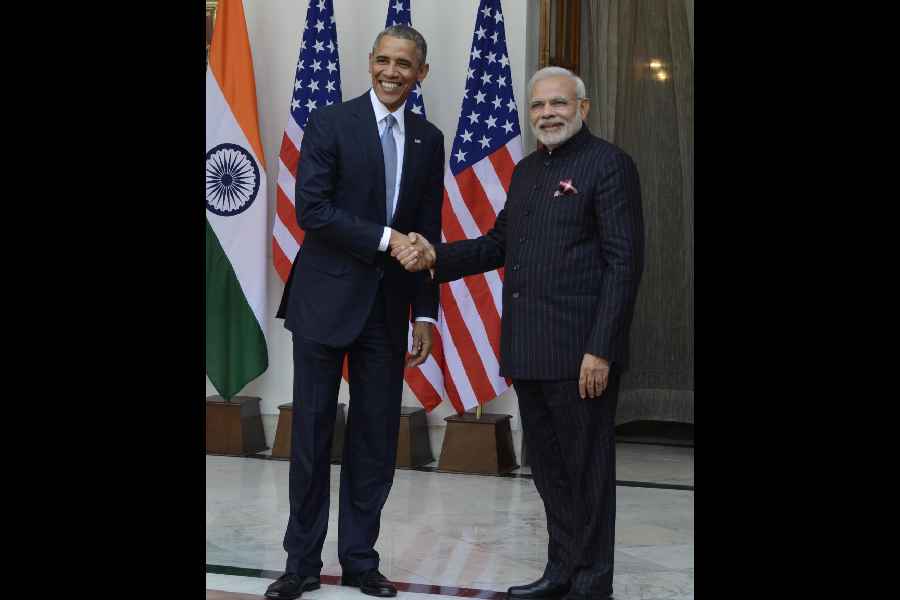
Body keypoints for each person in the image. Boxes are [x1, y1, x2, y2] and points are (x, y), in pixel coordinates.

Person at [393, 66, 644, 600]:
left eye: (559, 103)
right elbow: (498, 244)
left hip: (581, 355)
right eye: (538, 106)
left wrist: (601, 349)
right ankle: (560, 572)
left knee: (587, 472)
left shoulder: (609, 164)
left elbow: (624, 264)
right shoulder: (527, 170)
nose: (547, 114)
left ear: (583, 108)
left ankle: (591, 584)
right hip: (528, 349)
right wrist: (436, 255)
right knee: (549, 472)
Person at [267, 25, 444, 600]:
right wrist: (388, 239)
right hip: (324, 302)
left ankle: (361, 561)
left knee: (374, 441)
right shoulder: (330, 123)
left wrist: (425, 314)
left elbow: (428, 231)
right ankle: (300, 564)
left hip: (388, 311)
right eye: (384, 61)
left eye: (404, 64)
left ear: (421, 73)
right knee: (312, 437)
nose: (392, 72)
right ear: (370, 63)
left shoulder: (429, 138)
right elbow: (312, 210)